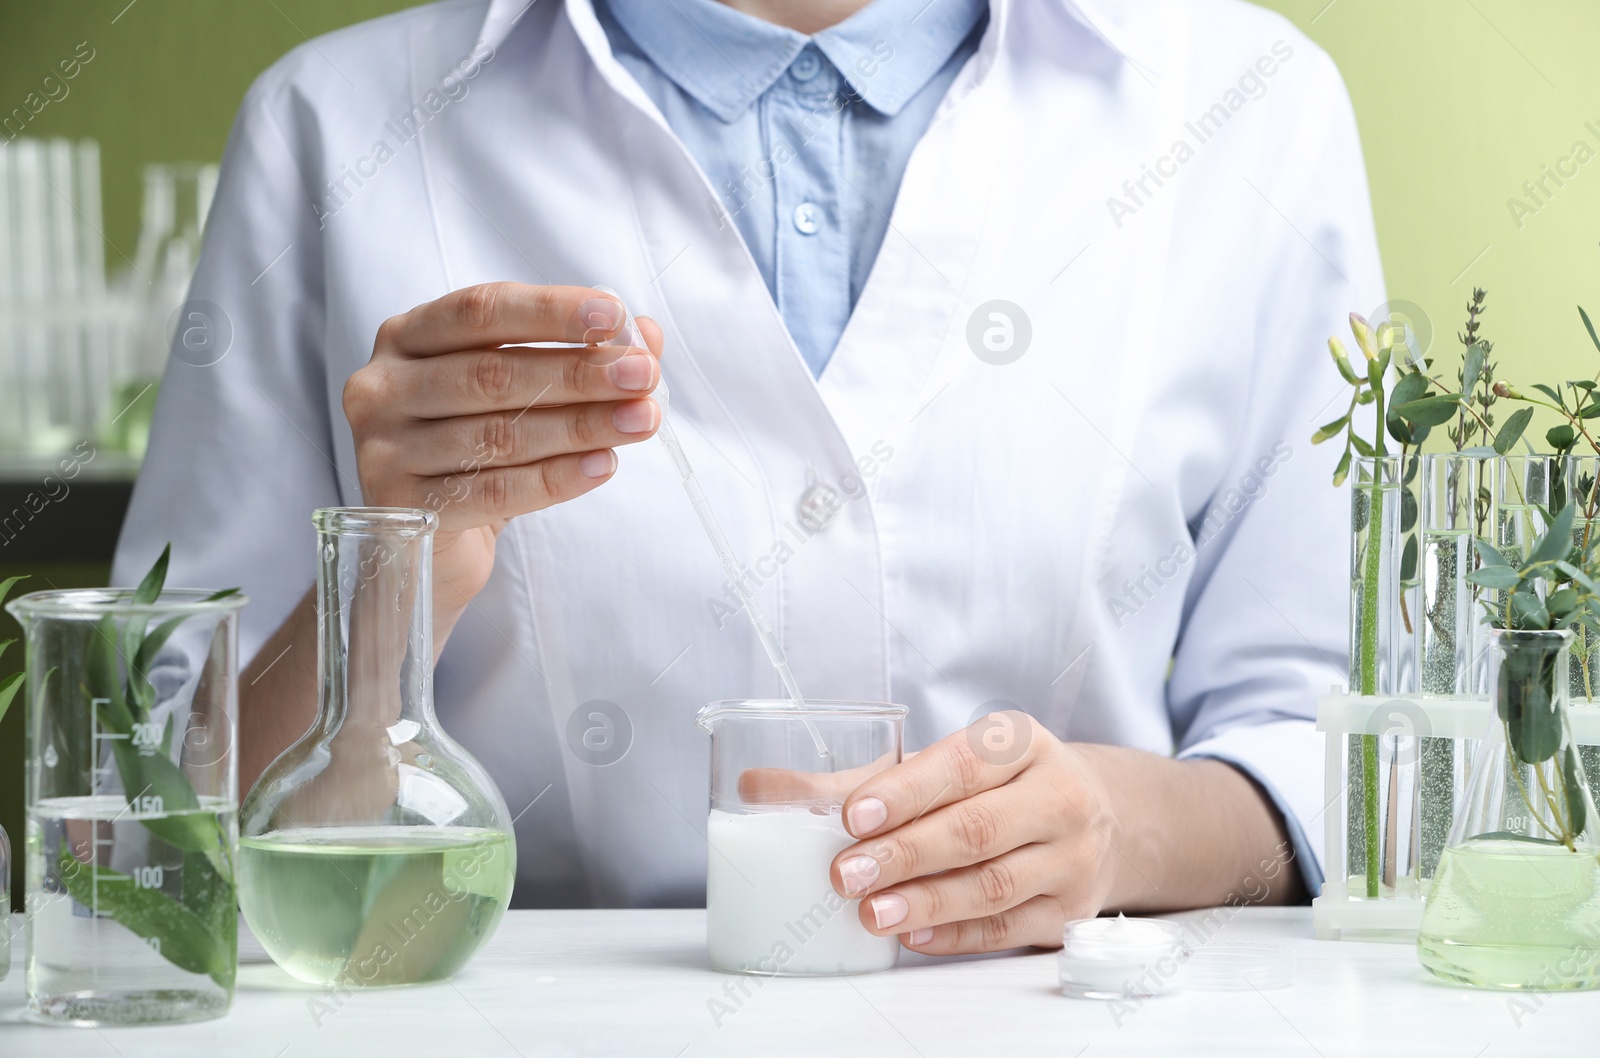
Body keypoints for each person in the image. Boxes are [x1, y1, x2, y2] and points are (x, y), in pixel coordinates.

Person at [115, 0, 1382, 953]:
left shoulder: (1247, 107)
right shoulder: (331, 126)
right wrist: (398, 568)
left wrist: (1112, 824)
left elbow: (1324, 748)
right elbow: (159, 840)